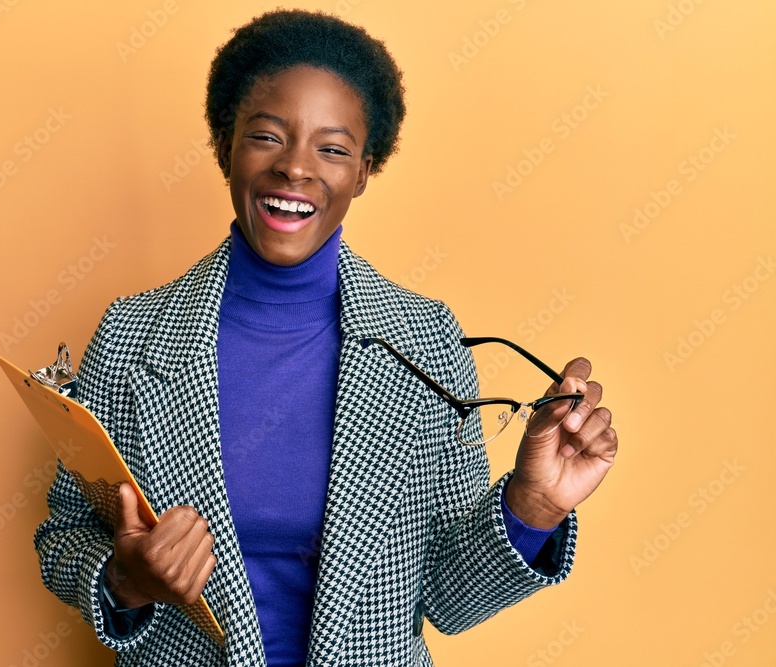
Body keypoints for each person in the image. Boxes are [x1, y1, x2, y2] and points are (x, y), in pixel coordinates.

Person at [33, 9, 617, 666]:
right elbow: (63, 536)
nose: (295, 169)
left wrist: (532, 504)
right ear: (226, 143)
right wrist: (127, 580)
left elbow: (449, 598)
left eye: (332, 148)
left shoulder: (428, 340)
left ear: (365, 170)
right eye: (267, 136)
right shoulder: (132, 334)